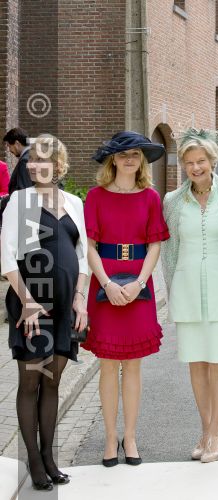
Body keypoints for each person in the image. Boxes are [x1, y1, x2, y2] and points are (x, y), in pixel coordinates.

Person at [1, 134, 88, 490]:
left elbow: (82, 254)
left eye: (45, 159)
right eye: (32, 160)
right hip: (31, 307)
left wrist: (80, 296)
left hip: (66, 306)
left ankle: (50, 456)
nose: (37, 165)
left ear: (59, 165)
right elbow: (7, 257)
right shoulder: (19, 202)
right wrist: (28, 301)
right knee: (30, 380)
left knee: (53, 381)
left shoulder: (73, 202)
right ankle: (33, 462)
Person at [82, 131, 169, 467]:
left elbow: (155, 245)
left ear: (141, 160)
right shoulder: (96, 196)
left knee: (133, 366)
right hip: (104, 281)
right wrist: (106, 283)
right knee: (107, 365)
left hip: (139, 285)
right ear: (113, 160)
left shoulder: (150, 197)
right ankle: (108, 438)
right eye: (123, 155)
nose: (130, 160)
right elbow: (88, 246)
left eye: (135, 155)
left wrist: (139, 282)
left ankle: (129, 437)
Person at [162, 128, 218, 463]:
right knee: (196, 362)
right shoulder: (171, 201)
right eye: (190, 163)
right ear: (183, 165)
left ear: (212, 161)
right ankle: (206, 428)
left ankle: (215, 432)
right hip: (186, 288)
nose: (196, 168)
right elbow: (167, 248)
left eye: (201, 161)